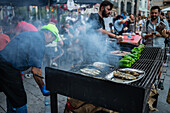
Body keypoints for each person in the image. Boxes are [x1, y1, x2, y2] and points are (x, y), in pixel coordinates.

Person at [0, 24, 59, 112]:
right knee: (20, 99)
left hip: (3, 62)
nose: (51, 42)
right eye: (53, 39)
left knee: (11, 93)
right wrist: (43, 87)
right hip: (7, 68)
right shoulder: (39, 42)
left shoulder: (31, 34)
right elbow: (35, 71)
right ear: (49, 34)